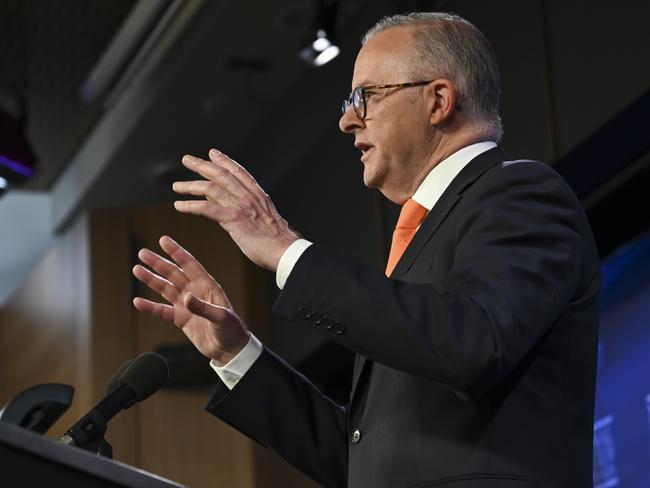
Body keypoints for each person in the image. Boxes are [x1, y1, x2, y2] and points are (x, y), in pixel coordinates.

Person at [132, 12, 601, 488]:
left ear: (438, 100)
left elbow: (474, 342)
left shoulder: (520, 193)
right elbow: (361, 461)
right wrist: (236, 353)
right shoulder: (421, 239)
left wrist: (284, 249)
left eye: (366, 97)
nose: (346, 120)